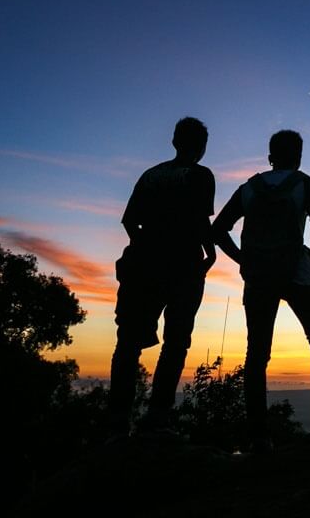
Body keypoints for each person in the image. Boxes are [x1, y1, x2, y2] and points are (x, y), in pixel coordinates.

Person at [214, 130, 310, 452]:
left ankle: (259, 436)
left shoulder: (249, 188)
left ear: (270, 155)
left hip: (258, 277)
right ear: (299, 155)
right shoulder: (308, 185)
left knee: (257, 355)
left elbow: (218, 229)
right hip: (297, 273)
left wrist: (241, 258)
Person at [108, 116, 216, 436]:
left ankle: (117, 419)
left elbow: (129, 221)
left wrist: (143, 244)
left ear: (173, 141)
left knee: (128, 342)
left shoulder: (151, 175)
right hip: (183, 265)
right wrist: (210, 253)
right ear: (201, 147)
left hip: (143, 264)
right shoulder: (200, 175)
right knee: (176, 340)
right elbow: (199, 220)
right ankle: (157, 417)